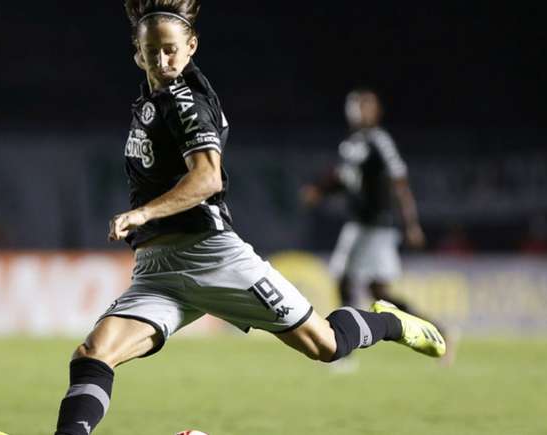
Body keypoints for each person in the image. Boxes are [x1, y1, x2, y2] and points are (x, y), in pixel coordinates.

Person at [36, 4, 444, 435]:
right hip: (157, 271)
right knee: (93, 353)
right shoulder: (151, 99)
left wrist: (143, 212)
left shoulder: (186, 100)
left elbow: (207, 177)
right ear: (137, 54)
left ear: (191, 46)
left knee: (326, 345)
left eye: (171, 50)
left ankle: (392, 321)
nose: (162, 60)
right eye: (151, 51)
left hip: (212, 256)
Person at [301, 89, 431, 324]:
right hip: (361, 223)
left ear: (377, 111)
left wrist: (411, 224)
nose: (358, 111)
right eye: (355, 106)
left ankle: (343, 342)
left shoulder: (379, 141)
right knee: (377, 292)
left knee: (346, 280)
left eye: (365, 106)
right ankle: (435, 328)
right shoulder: (352, 145)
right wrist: (320, 191)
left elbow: (399, 181)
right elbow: (345, 181)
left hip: (376, 225)